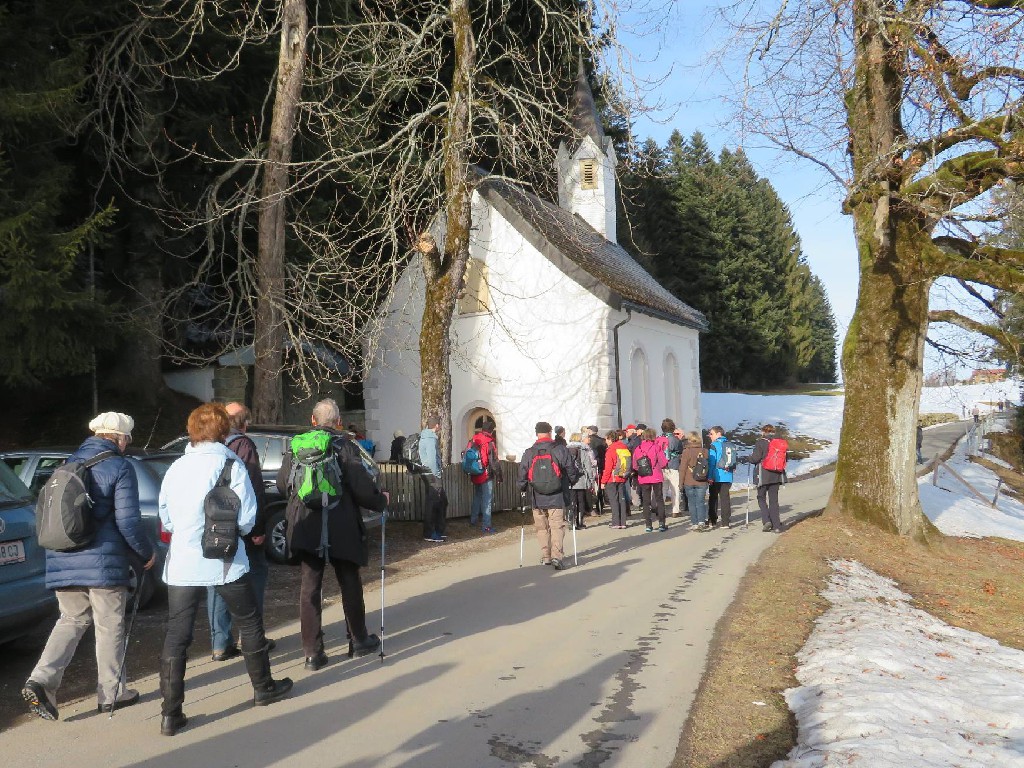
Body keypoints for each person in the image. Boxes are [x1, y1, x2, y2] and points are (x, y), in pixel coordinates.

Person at [158, 403, 292, 737]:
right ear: (223, 430)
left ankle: (170, 713)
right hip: (225, 560)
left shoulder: (176, 467)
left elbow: (167, 519)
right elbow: (246, 519)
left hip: (182, 564)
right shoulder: (232, 465)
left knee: (177, 635)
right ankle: (263, 687)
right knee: (249, 621)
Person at [22, 412, 156, 721]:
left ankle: (41, 680)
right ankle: (112, 694)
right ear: (119, 438)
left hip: (62, 557)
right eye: (127, 438)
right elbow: (128, 521)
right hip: (103, 563)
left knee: (71, 620)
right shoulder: (119, 466)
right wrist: (146, 552)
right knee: (109, 626)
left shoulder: (65, 465)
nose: (127, 444)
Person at [278, 398, 389, 671]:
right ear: (338, 422)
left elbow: (283, 485)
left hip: (306, 525)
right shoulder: (344, 446)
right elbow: (361, 487)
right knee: (349, 581)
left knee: (310, 587)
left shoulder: (297, 447)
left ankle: (312, 654)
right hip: (341, 524)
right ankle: (358, 640)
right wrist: (380, 500)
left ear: (312, 420)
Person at [207, 402, 272, 662]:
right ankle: (250, 637)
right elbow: (253, 488)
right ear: (244, 423)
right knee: (255, 574)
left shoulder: (209, 447)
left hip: (214, 525)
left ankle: (220, 643)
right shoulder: (243, 445)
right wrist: (258, 527)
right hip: (240, 524)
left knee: (217, 581)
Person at [519, 421, 579, 569]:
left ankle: (546, 556)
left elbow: (522, 472)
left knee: (541, 528)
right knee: (557, 526)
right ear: (550, 432)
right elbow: (571, 469)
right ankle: (556, 556)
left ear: (536, 433)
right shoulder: (560, 449)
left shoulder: (529, 452)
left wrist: (522, 487)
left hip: (537, 495)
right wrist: (573, 480)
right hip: (557, 494)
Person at [749, 424, 786, 533]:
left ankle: (766, 520)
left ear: (763, 432)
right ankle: (777, 526)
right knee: (774, 500)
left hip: (763, 475)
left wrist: (749, 458)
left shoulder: (761, 442)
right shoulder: (779, 443)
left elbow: (755, 458)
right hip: (776, 475)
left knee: (761, 497)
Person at [467, 419, 502, 533]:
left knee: (477, 496)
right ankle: (486, 526)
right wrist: (499, 476)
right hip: (486, 474)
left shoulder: (474, 439)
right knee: (487, 500)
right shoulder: (489, 442)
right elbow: (494, 461)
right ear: (491, 431)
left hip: (475, 472)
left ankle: (473, 520)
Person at [419, 415, 449, 542]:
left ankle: (438, 530)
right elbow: (431, 460)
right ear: (436, 425)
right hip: (432, 475)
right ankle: (430, 533)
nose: (440, 427)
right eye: (439, 424)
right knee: (434, 504)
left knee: (442, 501)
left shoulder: (425, 437)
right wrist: (437, 474)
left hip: (428, 474)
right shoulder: (430, 439)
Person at [633, 428, 669, 532]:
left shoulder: (638, 448)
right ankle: (661, 524)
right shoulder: (656, 447)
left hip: (643, 477)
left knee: (646, 501)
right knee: (659, 499)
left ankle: (648, 525)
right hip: (656, 475)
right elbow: (663, 463)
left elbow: (635, 465)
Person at [600, 429, 631, 529]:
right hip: (622, 476)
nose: (605, 441)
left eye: (606, 439)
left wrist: (603, 481)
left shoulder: (611, 450)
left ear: (610, 439)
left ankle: (616, 522)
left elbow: (608, 467)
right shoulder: (623, 447)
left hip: (612, 478)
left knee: (614, 500)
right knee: (622, 499)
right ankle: (623, 522)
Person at [567, 432, 598, 529]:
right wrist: (591, 480)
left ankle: (571, 521)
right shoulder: (583, 450)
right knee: (580, 501)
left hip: (569, 480)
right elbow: (588, 466)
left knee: (571, 501)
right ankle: (579, 522)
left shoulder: (565, 450)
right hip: (581, 479)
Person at [680, 431, 710, 530]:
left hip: (689, 480)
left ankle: (694, 523)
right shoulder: (705, 451)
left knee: (691, 503)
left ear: (689, 440)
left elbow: (683, 468)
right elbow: (708, 466)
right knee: (701, 502)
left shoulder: (686, 451)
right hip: (702, 480)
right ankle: (701, 521)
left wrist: (680, 483)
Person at [706, 426, 734, 528]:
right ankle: (725, 522)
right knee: (725, 499)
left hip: (716, 475)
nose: (710, 436)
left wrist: (710, 476)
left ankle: (712, 520)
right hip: (727, 475)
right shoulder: (730, 445)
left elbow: (712, 462)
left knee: (713, 498)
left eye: (711, 434)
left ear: (718, 434)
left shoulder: (714, 445)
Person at [660, 419, 684, 517]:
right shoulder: (675, 439)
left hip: (661, 466)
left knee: (663, 489)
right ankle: (675, 510)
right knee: (675, 489)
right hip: (673, 465)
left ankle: (660, 509)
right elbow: (680, 451)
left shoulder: (659, 439)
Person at [586, 426, 608, 515]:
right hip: (602, 465)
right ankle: (600, 506)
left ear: (590, 431)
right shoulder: (602, 441)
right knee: (600, 487)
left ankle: (591, 507)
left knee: (591, 487)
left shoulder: (589, 441)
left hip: (593, 466)